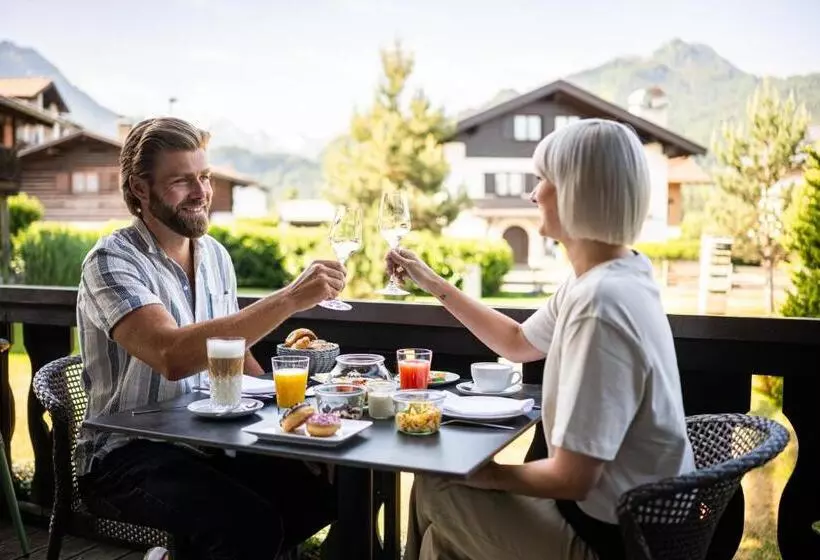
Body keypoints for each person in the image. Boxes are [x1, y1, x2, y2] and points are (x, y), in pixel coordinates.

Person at [387, 118, 696, 560]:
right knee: (442, 534)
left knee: (437, 485)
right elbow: (516, 342)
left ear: (576, 191)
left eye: (542, 180)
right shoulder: (614, 274)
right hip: (618, 518)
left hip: (615, 540)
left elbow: (572, 478)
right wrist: (430, 280)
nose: (533, 194)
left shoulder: (600, 303)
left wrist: (486, 473)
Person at [75, 117, 345, 560]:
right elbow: (172, 355)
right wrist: (291, 298)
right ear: (140, 189)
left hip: (209, 441)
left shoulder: (215, 255)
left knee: (329, 489)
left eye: (204, 177)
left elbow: (234, 351)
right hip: (125, 456)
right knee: (246, 525)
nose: (201, 192)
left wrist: (296, 413)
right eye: (182, 181)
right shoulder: (110, 261)